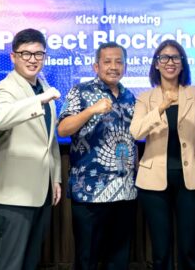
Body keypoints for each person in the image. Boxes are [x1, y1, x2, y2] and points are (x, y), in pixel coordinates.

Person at [130, 39, 195, 270]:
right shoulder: (145, 98)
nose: (170, 62)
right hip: (153, 184)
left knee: (189, 249)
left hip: (191, 182)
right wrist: (161, 107)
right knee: (161, 251)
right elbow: (136, 132)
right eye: (164, 58)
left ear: (182, 63)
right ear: (156, 64)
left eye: (175, 57)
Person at [0, 28, 62, 270]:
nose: (32, 59)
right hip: (14, 195)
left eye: (38, 54)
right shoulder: (6, 87)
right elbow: (1, 119)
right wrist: (39, 100)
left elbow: (49, 139)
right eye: (26, 54)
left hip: (41, 191)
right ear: (13, 56)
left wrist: (55, 178)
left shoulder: (43, 85)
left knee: (30, 262)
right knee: (10, 264)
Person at [58, 42, 137, 270]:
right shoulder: (80, 91)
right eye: (107, 61)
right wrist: (91, 110)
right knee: (87, 259)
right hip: (90, 191)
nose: (114, 66)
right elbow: (62, 129)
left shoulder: (129, 97)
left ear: (125, 66)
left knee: (119, 260)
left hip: (125, 191)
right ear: (96, 66)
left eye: (119, 61)